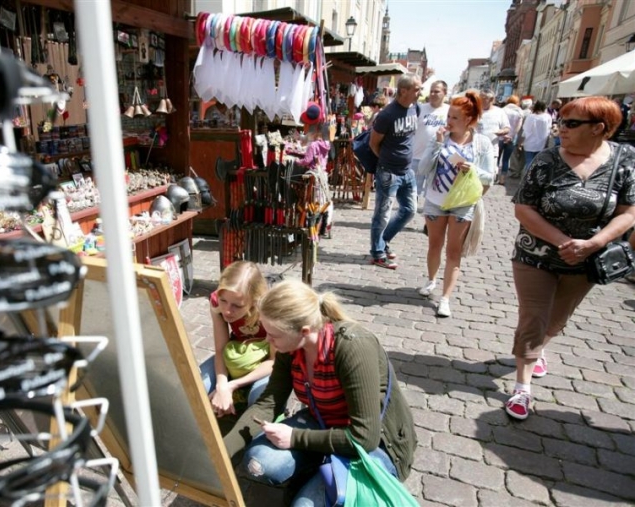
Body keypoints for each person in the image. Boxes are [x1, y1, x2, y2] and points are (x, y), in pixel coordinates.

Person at [222, 280, 417, 506]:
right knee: (259, 462)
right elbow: (268, 403)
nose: (268, 340)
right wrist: (221, 451)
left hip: (373, 444)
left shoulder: (353, 347)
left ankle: (316, 477)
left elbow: (365, 437)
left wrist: (295, 437)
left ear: (304, 331)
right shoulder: (290, 346)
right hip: (324, 422)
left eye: (273, 335)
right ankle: (316, 470)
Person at [506, 96, 635, 420]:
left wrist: (594, 243)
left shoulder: (625, 159)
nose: (561, 128)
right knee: (533, 317)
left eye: (571, 123)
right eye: (561, 121)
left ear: (599, 128)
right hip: (535, 254)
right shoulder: (548, 158)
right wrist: (563, 241)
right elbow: (523, 207)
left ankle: (538, 349)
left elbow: (629, 211)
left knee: (557, 320)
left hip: (586, 260)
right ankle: (522, 387)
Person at [416, 90, 496, 318]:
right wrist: (437, 144)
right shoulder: (440, 138)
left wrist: (473, 169)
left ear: (469, 120)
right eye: (448, 116)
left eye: (454, 117)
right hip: (436, 200)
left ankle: (445, 298)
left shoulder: (481, 144)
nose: (449, 121)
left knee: (454, 251)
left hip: (463, 203)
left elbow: (490, 177)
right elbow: (422, 169)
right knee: (434, 245)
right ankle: (431, 280)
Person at [201, 261, 274, 424]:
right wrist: (221, 385)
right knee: (198, 386)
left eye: (237, 306)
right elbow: (220, 349)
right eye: (223, 300)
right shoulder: (216, 303)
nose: (227, 310)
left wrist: (232, 385)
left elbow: (274, 360)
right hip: (237, 355)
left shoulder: (269, 310)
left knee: (259, 399)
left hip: (266, 361)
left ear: (254, 301)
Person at [368, 74, 423, 269]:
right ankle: (377, 253)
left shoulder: (415, 108)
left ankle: (383, 242)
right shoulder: (387, 115)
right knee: (382, 214)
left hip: (407, 171)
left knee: (409, 210)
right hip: (388, 172)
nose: (420, 92)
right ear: (403, 91)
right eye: (416, 89)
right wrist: (386, 160)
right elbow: (373, 143)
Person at [412, 80, 449, 199]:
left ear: (445, 93)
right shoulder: (420, 108)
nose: (432, 94)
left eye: (436, 91)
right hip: (417, 156)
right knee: (412, 191)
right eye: (431, 91)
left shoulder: (449, 111)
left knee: (433, 191)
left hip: (437, 158)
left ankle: (428, 208)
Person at [475, 89, 510, 167]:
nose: (480, 101)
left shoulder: (499, 112)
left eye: (483, 98)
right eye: (479, 98)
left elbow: (507, 128)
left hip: (492, 150)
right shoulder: (475, 111)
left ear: (491, 99)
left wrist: (502, 132)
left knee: (490, 173)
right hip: (475, 150)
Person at [521, 101, 552, 175]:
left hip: (529, 142)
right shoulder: (547, 117)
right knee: (538, 162)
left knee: (529, 161)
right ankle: (535, 176)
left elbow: (525, 130)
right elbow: (548, 130)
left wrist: (521, 141)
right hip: (541, 143)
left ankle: (528, 176)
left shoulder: (530, 117)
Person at [499, 95, 524, 185]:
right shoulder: (519, 112)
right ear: (517, 102)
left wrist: (504, 135)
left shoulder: (502, 110)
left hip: (501, 136)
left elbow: (499, 124)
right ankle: (502, 179)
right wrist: (511, 136)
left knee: (497, 157)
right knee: (506, 159)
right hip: (511, 138)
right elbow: (518, 127)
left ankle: (494, 176)